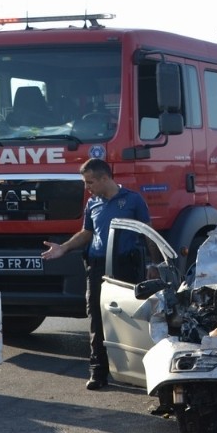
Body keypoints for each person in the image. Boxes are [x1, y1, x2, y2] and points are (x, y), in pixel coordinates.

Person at [41, 158, 152, 390]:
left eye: (90, 181)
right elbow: (86, 233)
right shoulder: (92, 203)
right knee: (97, 317)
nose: (86, 187)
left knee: (130, 317)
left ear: (105, 178)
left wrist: (154, 265)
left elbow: (148, 233)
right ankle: (98, 371)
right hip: (97, 266)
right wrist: (64, 248)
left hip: (126, 267)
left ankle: (135, 372)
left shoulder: (133, 200)